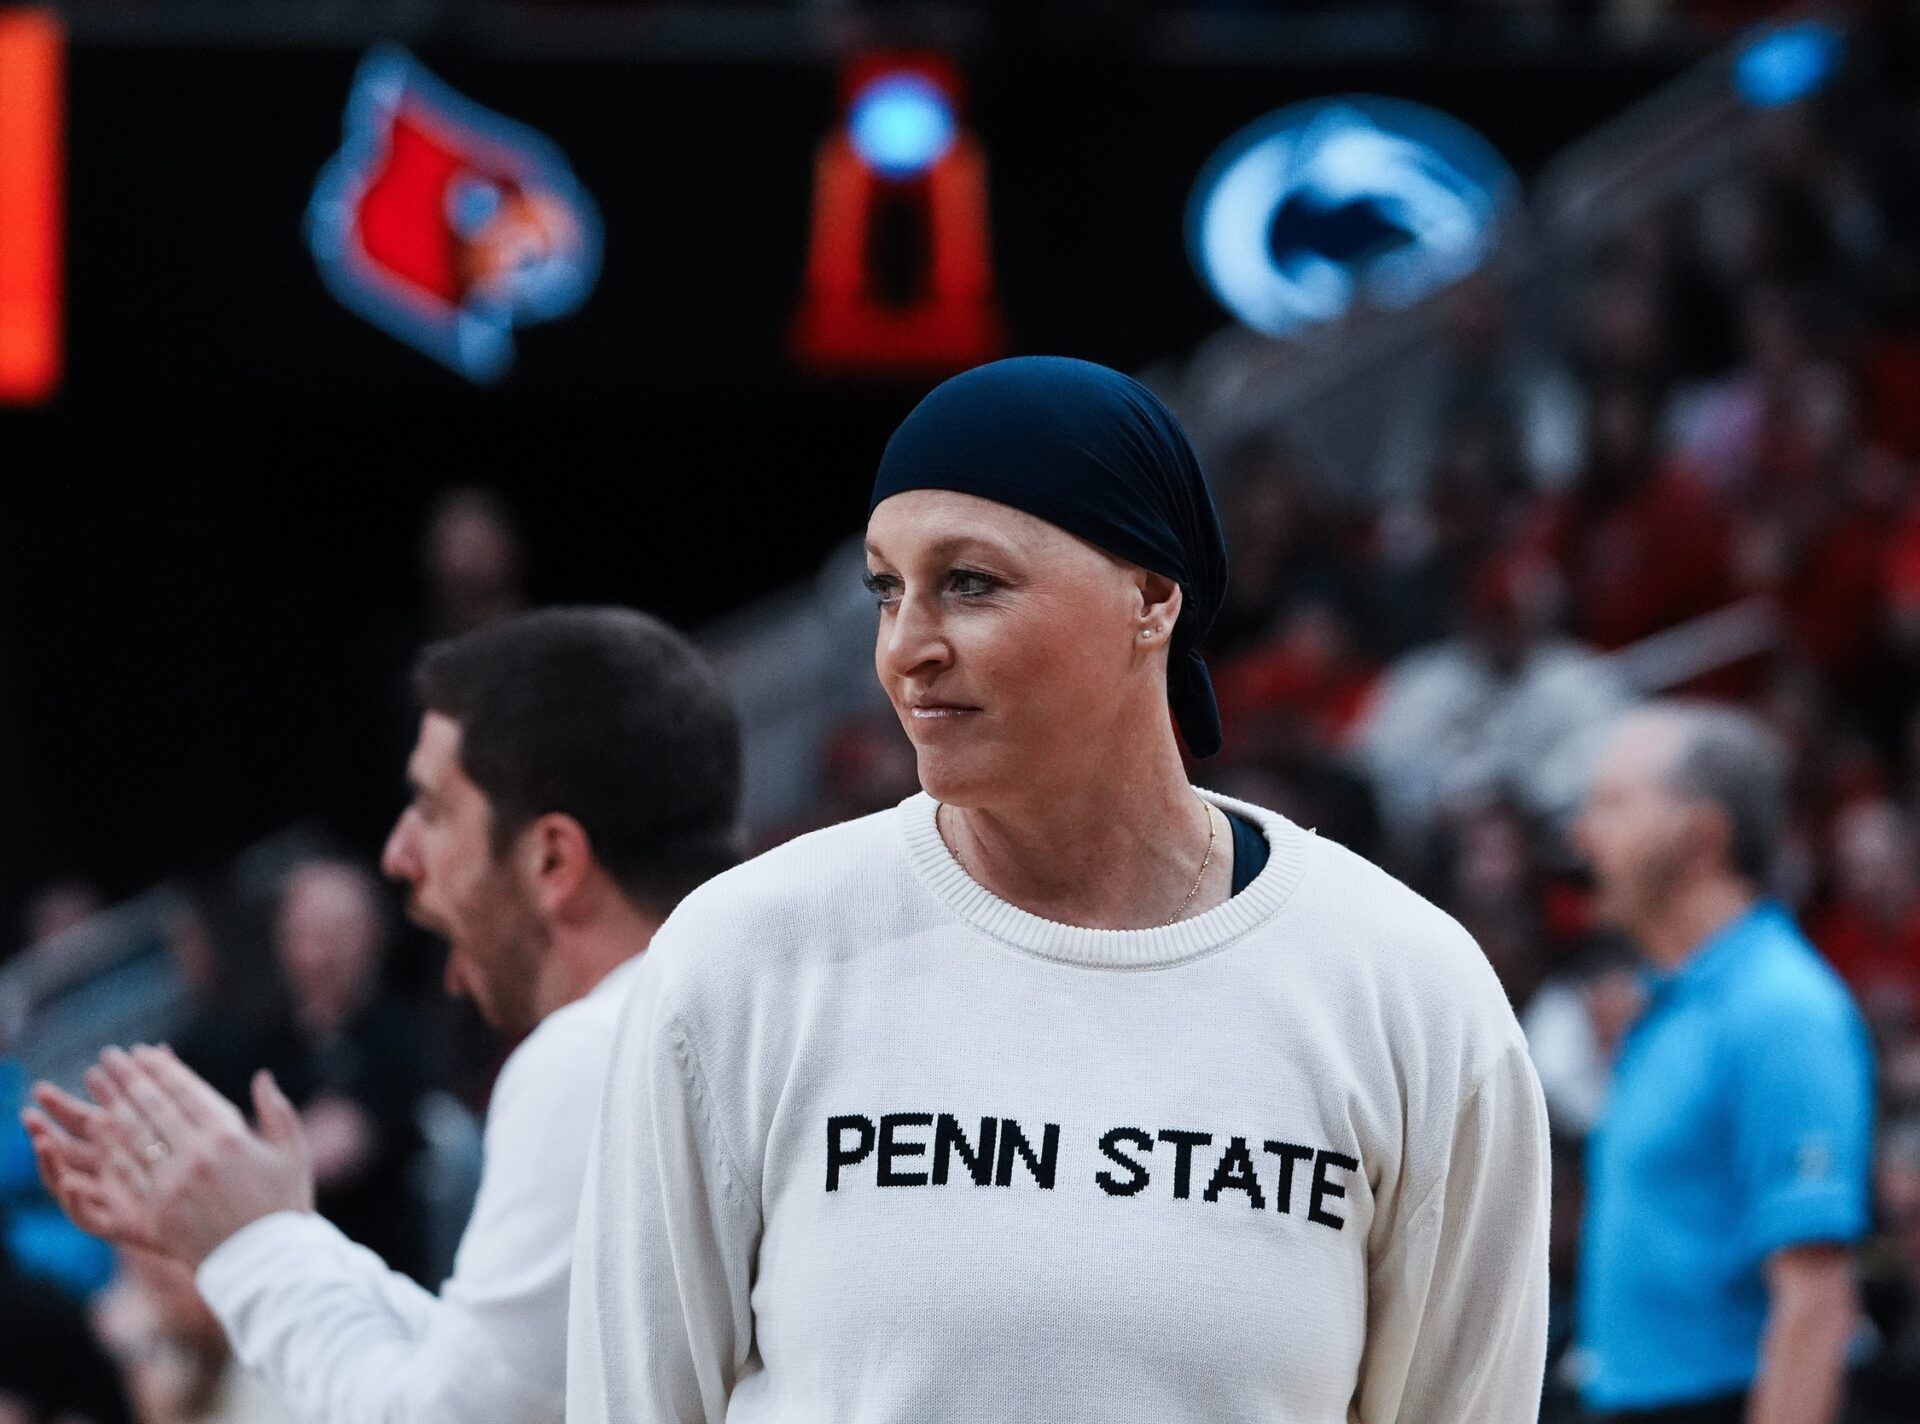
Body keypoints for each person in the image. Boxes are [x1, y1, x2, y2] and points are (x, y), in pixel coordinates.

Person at [567, 357, 1551, 1423]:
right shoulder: (745, 952)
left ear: (1151, 599)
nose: (906, 648)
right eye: (887, 587)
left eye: (971, 582)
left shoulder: (1408, 988)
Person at [24, 606, 742, 1424]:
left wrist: (245, 1246)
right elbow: (508, 1384)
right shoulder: (734, 1009)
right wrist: (280, 1228)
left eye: (433, 810)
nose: (399, 853)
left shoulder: (596, 1053)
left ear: (551, 858)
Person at [1570, 702, 1874, 1424]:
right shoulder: (1667, 1003)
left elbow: (1815, 1302)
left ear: (1703, 837)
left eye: (1614, 804)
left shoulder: (1781, 1010)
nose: (1583, 833)